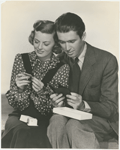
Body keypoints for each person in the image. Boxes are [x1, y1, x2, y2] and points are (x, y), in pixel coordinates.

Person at [47, 12, 118, 148]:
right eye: (62, 42)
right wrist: (55, 103)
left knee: (75, 125)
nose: (67, 48)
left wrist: (84, 105)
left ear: (83, 36)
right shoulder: (58, 61)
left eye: (72, 41)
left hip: (100, 120)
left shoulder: (106, 60)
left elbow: (111, 108)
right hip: (67, 116)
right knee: (56, 121)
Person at [1, 20, 70, 148]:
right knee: (20, 131)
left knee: (37, 134)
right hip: (18, 116)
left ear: (55, 44)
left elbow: (52, 108)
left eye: (46, 43)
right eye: (36, 41)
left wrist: (41, 92)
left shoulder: (62, 68)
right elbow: (15, 103)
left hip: (44, 119)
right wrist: (20, 89)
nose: (39, 47)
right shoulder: (21, 59)